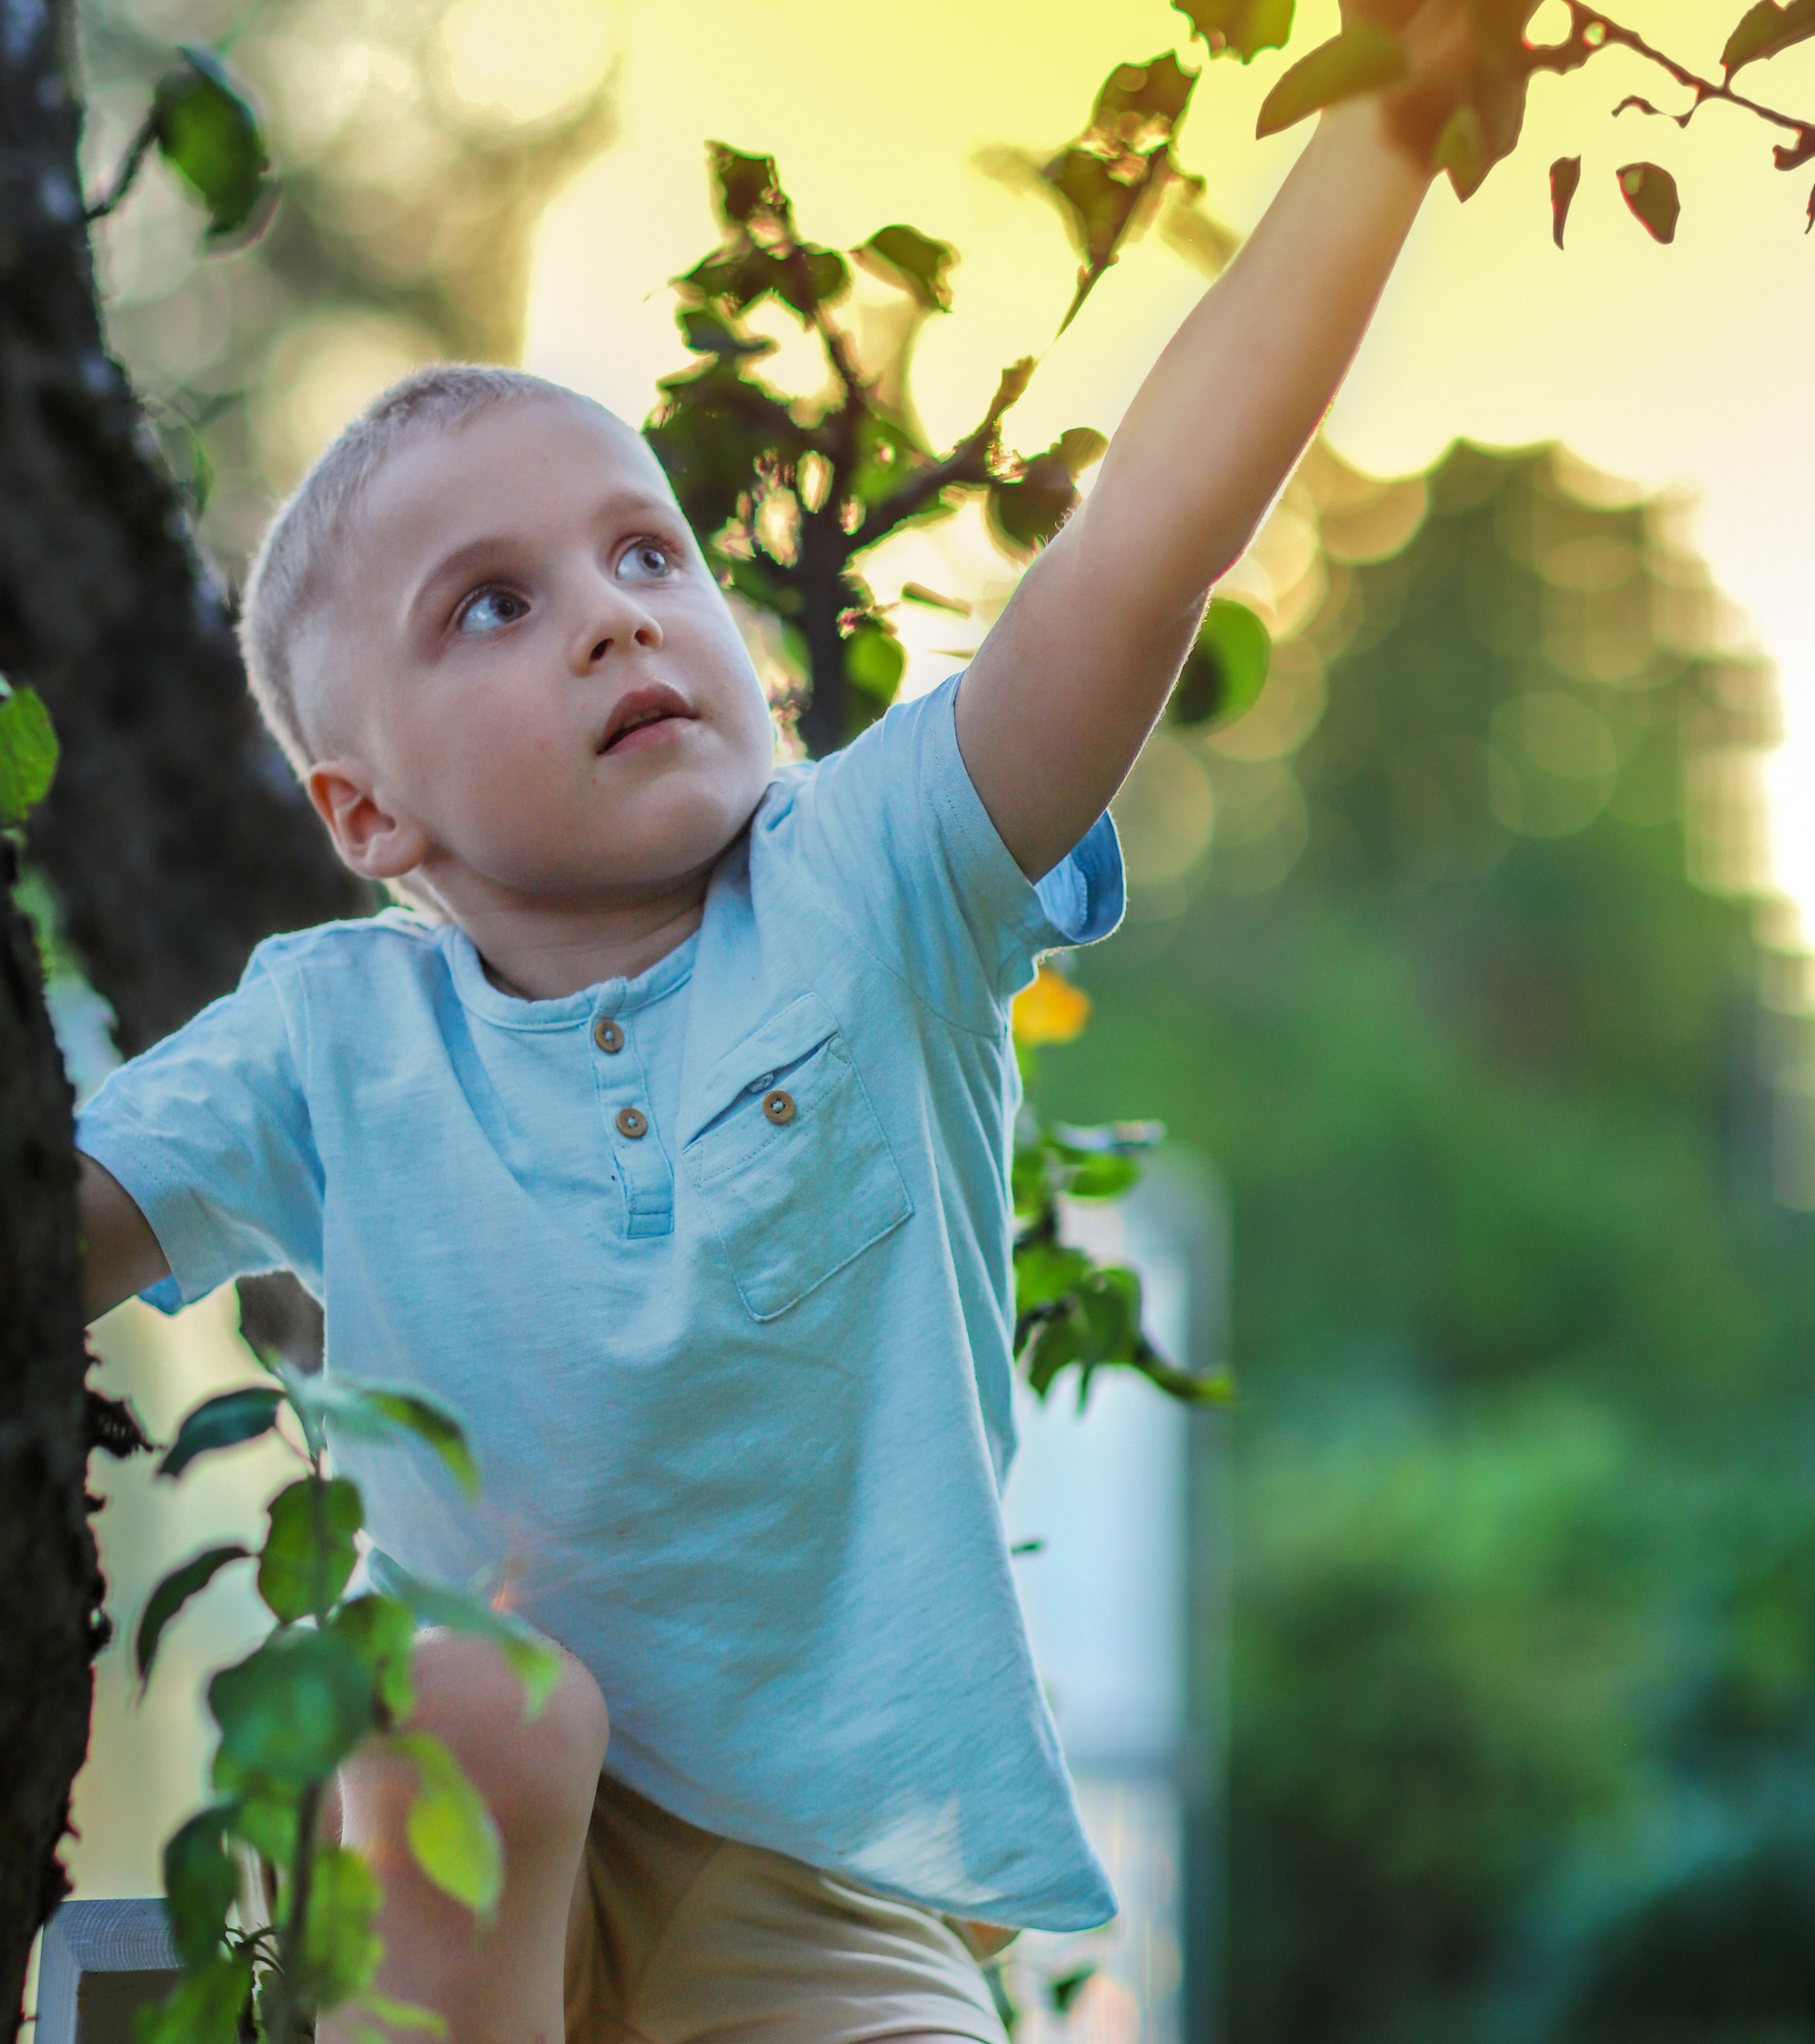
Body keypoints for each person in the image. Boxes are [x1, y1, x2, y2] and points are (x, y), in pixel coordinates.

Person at [77, 9, 1510, 2038]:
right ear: (366, 810)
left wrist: (1390, 113)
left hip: (831, 1887)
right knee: (470, 1685)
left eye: (643, 548)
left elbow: (1138, 546)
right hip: (458, 1863)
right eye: (488, 602)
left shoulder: (869, 888)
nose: (612, 609)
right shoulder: (330, 1036)